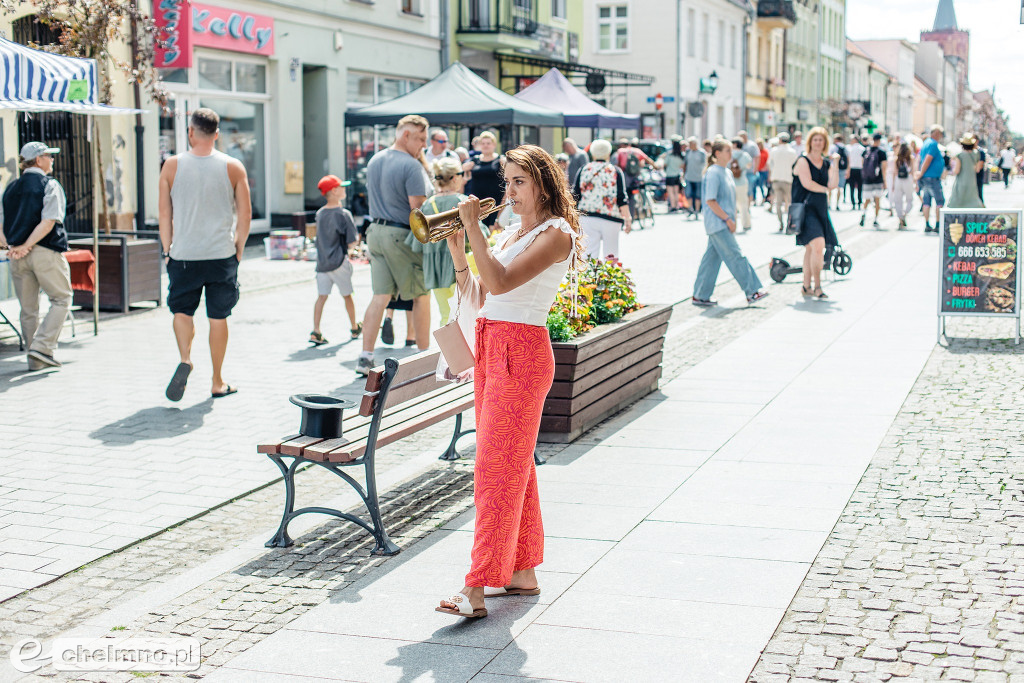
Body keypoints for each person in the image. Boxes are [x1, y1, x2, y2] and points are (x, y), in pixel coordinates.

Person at [435, 144, 585, 620]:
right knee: (513, 466)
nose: (510, 192)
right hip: (492, 345)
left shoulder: (557, 233)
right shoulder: (514, 232)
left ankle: (477, 586)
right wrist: (462, 251)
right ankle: (521, 572)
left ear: (544, 183)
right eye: (507, 182)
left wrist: (475, 229)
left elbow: (501, 284)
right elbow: (482, 292)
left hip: (520, 352)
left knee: (496, 471)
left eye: (519, 181)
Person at [159, 108, 251, 401]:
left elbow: (164, 212)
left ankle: (185, 359)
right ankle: (217, 381)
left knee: (182, 312)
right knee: (218, 317)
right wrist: (238, 247)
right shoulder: (233, 166)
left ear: (190, 132)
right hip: (220, 254)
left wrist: (167, 248)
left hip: (184, 254)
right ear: (217, 134)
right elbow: (245, 213)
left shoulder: (172, 165)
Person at [359, 114, 432, 375]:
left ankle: (365, 356)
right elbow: (418, 212)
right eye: (421, 139)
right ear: (406, 135)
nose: (423, 145)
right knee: (421, 296)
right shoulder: (411, 166)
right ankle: (424, 357)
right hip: (399, 234)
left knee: (380, 296)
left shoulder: (375, 159)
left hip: (375, 232)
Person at [0, 141, 71, 370]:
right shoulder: (49, 184)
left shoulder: (9, 189)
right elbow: (49, 221)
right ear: (38, 159)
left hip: (16, 255)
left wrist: (11, 247)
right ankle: (42, 347)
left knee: (28, 309)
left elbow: (0, 224)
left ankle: (35, 358)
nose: (52, 160)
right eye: (49, 156)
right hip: (45, 252)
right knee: (61, 298)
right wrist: (28, 245)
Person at [409, 156, 486, 326]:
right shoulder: (463, 201)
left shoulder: (428, 205)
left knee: (446, 315)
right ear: (454, 177)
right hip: (461, 265)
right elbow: (483, 235)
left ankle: (445, 349)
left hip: (435, 268)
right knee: (466, 312)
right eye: (461, 173)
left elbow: (417, 243)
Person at [692, 139, 769, 307]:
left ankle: (700, 295)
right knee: (736, 257)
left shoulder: (725, 172)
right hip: (718, 223)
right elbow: (711, 201)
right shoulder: (713, 172)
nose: (731, 153)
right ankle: (752, 291)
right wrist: (727, 219)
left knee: (711, 261)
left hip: (723, 222)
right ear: (717, 153)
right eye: (727, 150)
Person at [309, 175, 361, 345]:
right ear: (334, 191)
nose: (344, 189)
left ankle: (316, 331)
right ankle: (354, 327)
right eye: (342, 187)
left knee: (321, 297)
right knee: (347, 296)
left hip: (322, 264)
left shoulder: (320, 213)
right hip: (339, 262)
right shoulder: (343, 214)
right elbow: (352, 240)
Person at [793, 127, 840, 300]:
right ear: (810, 142)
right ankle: (818, 286)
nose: (818, 143)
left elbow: (834, 184)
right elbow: (807, 183)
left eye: (821, 140)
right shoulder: (803, 161)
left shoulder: (826, 163)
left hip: (820, 209)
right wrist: (825, 189)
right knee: (818, 245)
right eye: (815, 139)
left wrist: (835, 165)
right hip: (805, 210)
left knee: (811, 249)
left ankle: (806, 286)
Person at [573, 139, 631, 260]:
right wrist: (628, 219)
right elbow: (621, 198)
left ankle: (588, 278)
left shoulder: (584, 169)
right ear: (608, 154)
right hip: (611, 218)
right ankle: (609, 278)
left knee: (588, 255)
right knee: (611, 255)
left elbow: (575, 195)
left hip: (587, 217)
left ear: (592, 153)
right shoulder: (615, 171)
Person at [464, 131, 504, 226]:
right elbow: (463, 168)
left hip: (494, 202)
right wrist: (467, 167)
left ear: (494, 145)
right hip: (477, 202)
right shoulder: (475, 160)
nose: (485, 146)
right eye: (483, 143)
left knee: (492, 231)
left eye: (488, 143)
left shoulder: (499, 160)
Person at [916, 125, 946, 233]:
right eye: (941, 134)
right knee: (939, 201)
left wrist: (919, 173)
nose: (941, 137)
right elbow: (928, 159)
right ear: (936, 133)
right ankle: (937, 224)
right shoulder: (933, 144)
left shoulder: (926, 143)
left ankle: (927, 224)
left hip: (926, 177)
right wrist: (921, 172)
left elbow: (919, 159)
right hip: (932, 177)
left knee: (926, 202)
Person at [613, 138, 653, 218]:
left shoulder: (620, 151)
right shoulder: (637, 151)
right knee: (635, 193)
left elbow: (618, 165)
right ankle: (637, 211)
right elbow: (648, 159)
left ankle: (626, 215)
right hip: (636, 176)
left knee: (625, 195)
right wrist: (656, 167)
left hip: (625, 177)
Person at [768, 133, 799, 232]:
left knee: (778, 203)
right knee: (789, 203)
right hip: (788, 179)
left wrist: (773, 171)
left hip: (776, 178)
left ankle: (781, 224)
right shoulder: (792, 151)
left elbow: (769, 163)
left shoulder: (774, 151)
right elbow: (795, 164)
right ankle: (788, 224)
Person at [859, 133, 888, 230]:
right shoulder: (881, 152)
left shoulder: (866, 150)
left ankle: (863, 214)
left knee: (867, 199)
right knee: (877, 199)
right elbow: (884, 168)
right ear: (879, 140)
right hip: (877, 179)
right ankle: (875, 219)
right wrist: (885, 181)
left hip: (867, 179)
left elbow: (862, 165)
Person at [948, 133, 985, 209]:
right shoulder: (977, 154)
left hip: (961, 181)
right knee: (972, 203)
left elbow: (957, 171)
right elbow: (977, 169)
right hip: (972, 182)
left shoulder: (960, 155)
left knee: (959, 204)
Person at [889, 142, 918, 230]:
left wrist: (893, 184)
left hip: (898, 179)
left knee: (898, 201)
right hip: (908, 179)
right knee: (910, 200)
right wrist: (915, 183)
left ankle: (900, 217)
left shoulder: (896, 159)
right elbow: (913, 172)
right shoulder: (911, 158)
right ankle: (904, 214)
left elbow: (894, 172)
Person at [730, 138, 753, 231]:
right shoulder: (745, 155)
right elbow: (749, 166)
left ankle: (733, 224)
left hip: (731, 181)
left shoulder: (729, 154)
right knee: (743, 204)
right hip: (742, 181)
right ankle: (746, 224)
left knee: (732, 204)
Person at [658, 137, 685, 213]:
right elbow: (682, 166)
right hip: (677, 175)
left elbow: (665, 164)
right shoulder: (681, 155)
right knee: (676, 192)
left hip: (669, 175)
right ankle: (677, 206)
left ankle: (673, 206)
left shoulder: (670, 155)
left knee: (670, 192)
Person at [683, 137, 707, 219]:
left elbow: (705, 164)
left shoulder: (702, 153)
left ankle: (697, 210)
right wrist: (683, 174)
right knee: (688, 193)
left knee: (697, 195)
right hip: (689, 176)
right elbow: (685, 163)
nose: (689, 146)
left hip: (699, 177)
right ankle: (690, 209)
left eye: (690, 144)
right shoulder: (688, 151)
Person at [738, 131, 760, 205]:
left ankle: (748, 206)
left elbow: (757, 157)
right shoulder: (738, 145)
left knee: (749, 189)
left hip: (750, 171)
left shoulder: (752, 145)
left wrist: (755, 169)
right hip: (739, 172)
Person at [829, 134, 849, 211]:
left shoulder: (833, 147)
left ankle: (829, 203)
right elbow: (848, 159)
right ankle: (837, 204)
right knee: (840, 188)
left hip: (833, 168)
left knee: (830, 187)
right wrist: (848, 169)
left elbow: (829, 156)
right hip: (843, 169)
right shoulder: (845, 147)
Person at [846, 134, 865, 209]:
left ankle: (853, 203)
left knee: (852, 187)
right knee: (860, 187)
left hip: (852, 169)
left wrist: (848, 171)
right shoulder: (862, 149)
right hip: (860, 169)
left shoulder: (850, 149)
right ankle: (859, 202)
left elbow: (849, 161)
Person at [755, 139, 770, 205]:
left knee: (763, 185)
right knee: (756, 185)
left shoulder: (765, 151)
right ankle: (756, 199)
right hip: (757, 170)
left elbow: (768, 161)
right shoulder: (756, 151)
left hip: (763, 171)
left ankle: (764, 198)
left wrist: (765, 168)